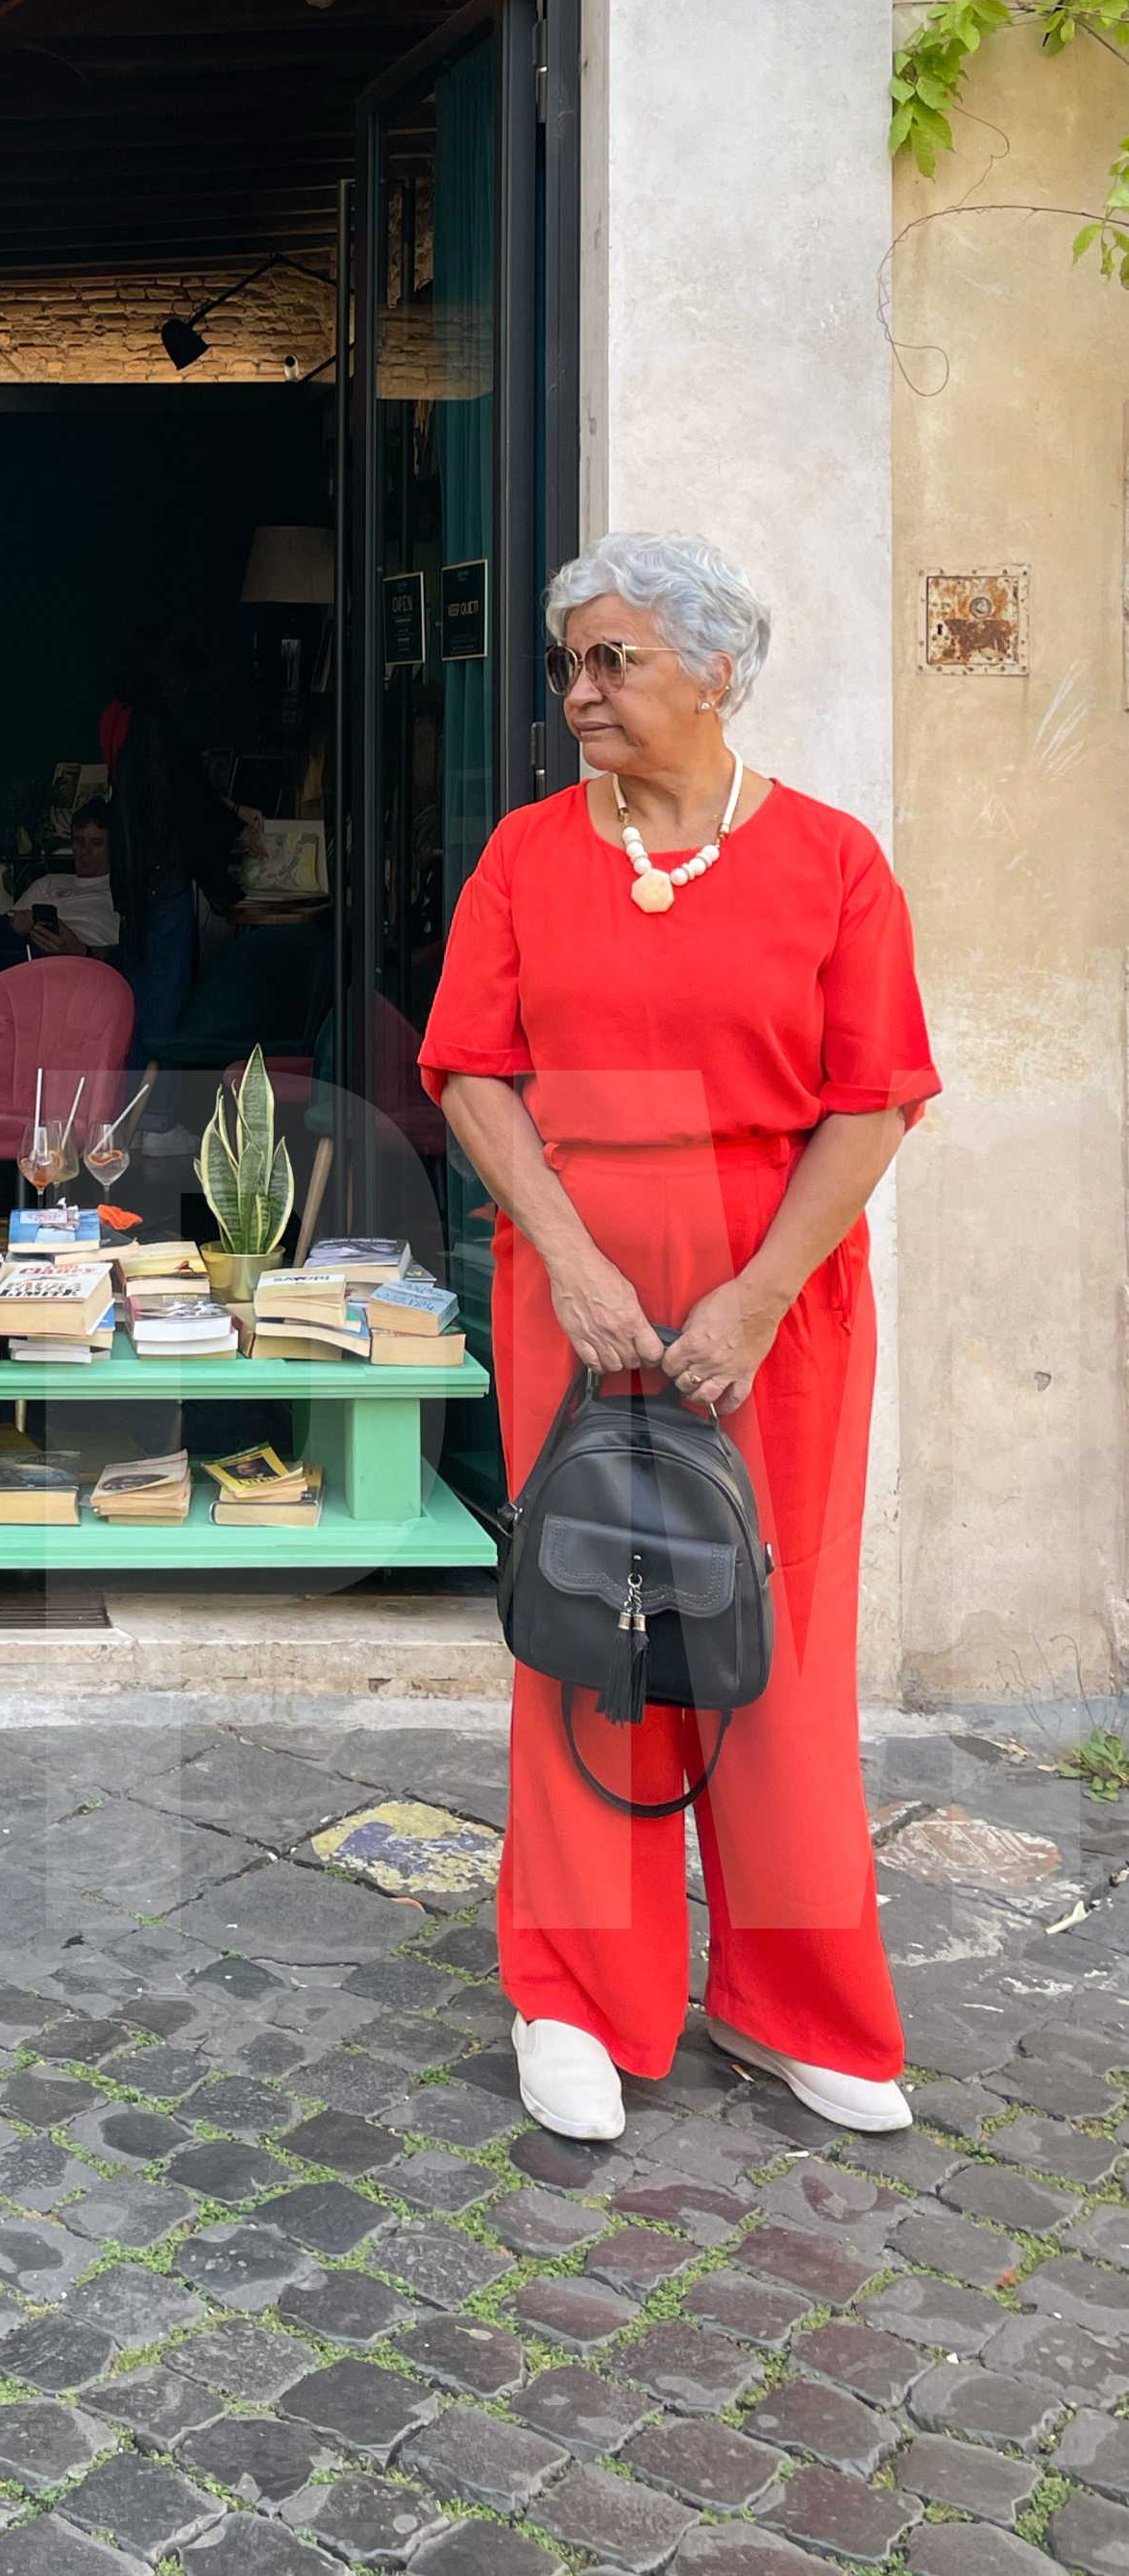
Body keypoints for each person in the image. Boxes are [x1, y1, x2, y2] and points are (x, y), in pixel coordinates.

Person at [420, 531, 938, 2147]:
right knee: (592, 1619)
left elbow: (872, 1096)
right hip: (571, 1282)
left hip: (770, 1288)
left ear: (713, 672)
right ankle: (573, 1989)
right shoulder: (519, 856)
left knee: (769, 1642)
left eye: (611, 659)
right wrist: (565, 1260)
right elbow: (466, 1071)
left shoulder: (831, 861)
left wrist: (756, 1291)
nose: (574, 691)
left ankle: (795, 1997)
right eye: (567, 661)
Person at [104, 624, 252, 1066]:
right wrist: (238, 831)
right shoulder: (164, 736)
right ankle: (157, 1118)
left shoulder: (129, 734)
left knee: (137, 1010)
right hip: (165, 883)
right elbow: (192, 805)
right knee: (166, 1010)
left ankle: (133, 1115)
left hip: (133, 887)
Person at [10, 802, 121, 959]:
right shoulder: (48, 882)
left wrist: (80, 949)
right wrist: (18, 922)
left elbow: (127, 955)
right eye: (79, 842)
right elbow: (10, 923)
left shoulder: (121, 891)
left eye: (96, 843)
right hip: (27, 946)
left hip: (78, 959)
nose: (86, 852)